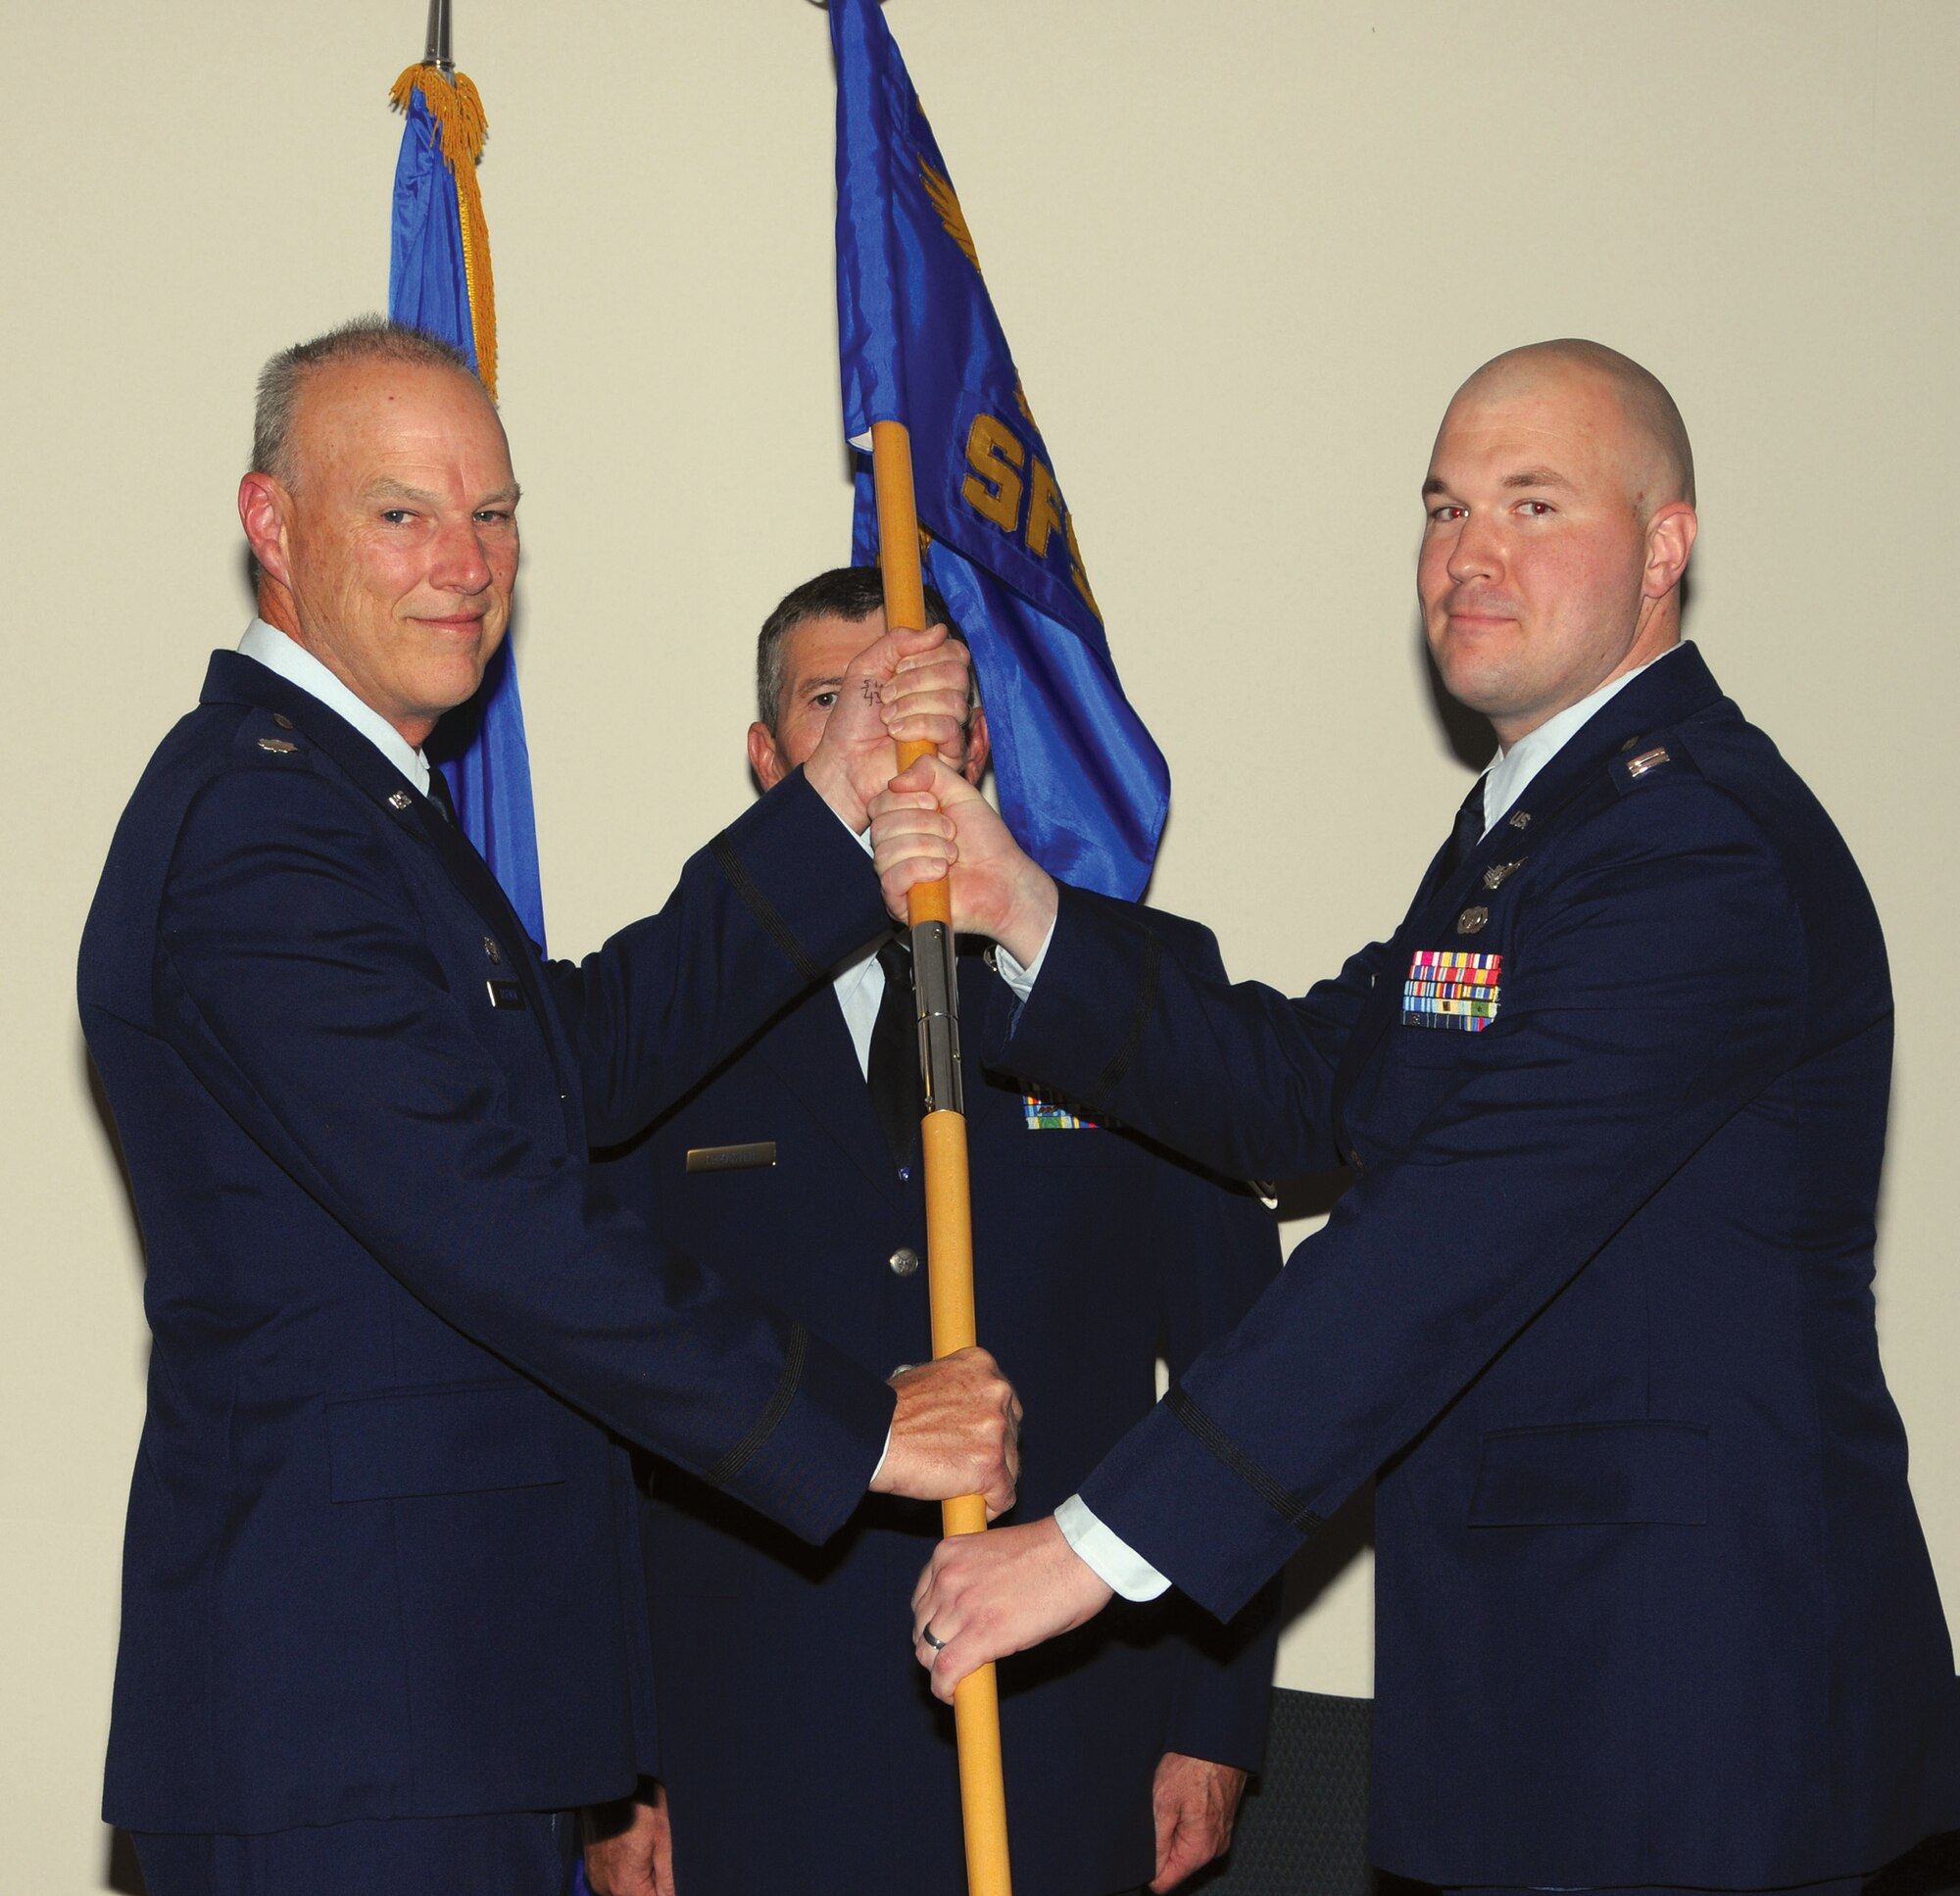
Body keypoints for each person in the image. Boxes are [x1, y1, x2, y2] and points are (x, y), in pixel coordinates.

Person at [875, 341, 1960, 1890]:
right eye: (1446, 510)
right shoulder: (1538, 834)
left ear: (1665, 548)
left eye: (1533, 505)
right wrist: (1024, 904)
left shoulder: (1695, 853)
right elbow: (1313, 1084)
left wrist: (1096, 1546)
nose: (1469, 557)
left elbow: (1444, 1235)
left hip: (1684, 1716)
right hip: (1540, 1692)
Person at [76, 319, 1021, 1896]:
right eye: (402, 512)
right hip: (353, 1731)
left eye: (494, 513)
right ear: (271, 525)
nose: (465, 562)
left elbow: (572, 1057)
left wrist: (841, 789)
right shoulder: (262, 827)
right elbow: (495, 1217)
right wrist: (855, 1426)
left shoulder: (352, 798)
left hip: (439, 1703)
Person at [582, 567, 1281, 1896]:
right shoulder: (659, 1015)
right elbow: (601, 1409)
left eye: (917, 700)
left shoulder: (1128, 989)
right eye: (834, 698)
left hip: (1068, 1710)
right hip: (753, 1734)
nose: (882, 730)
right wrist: (619, 1763)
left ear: (971, 743)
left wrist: (1213, 1722)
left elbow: (1242, 1365)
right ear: (767, 755)